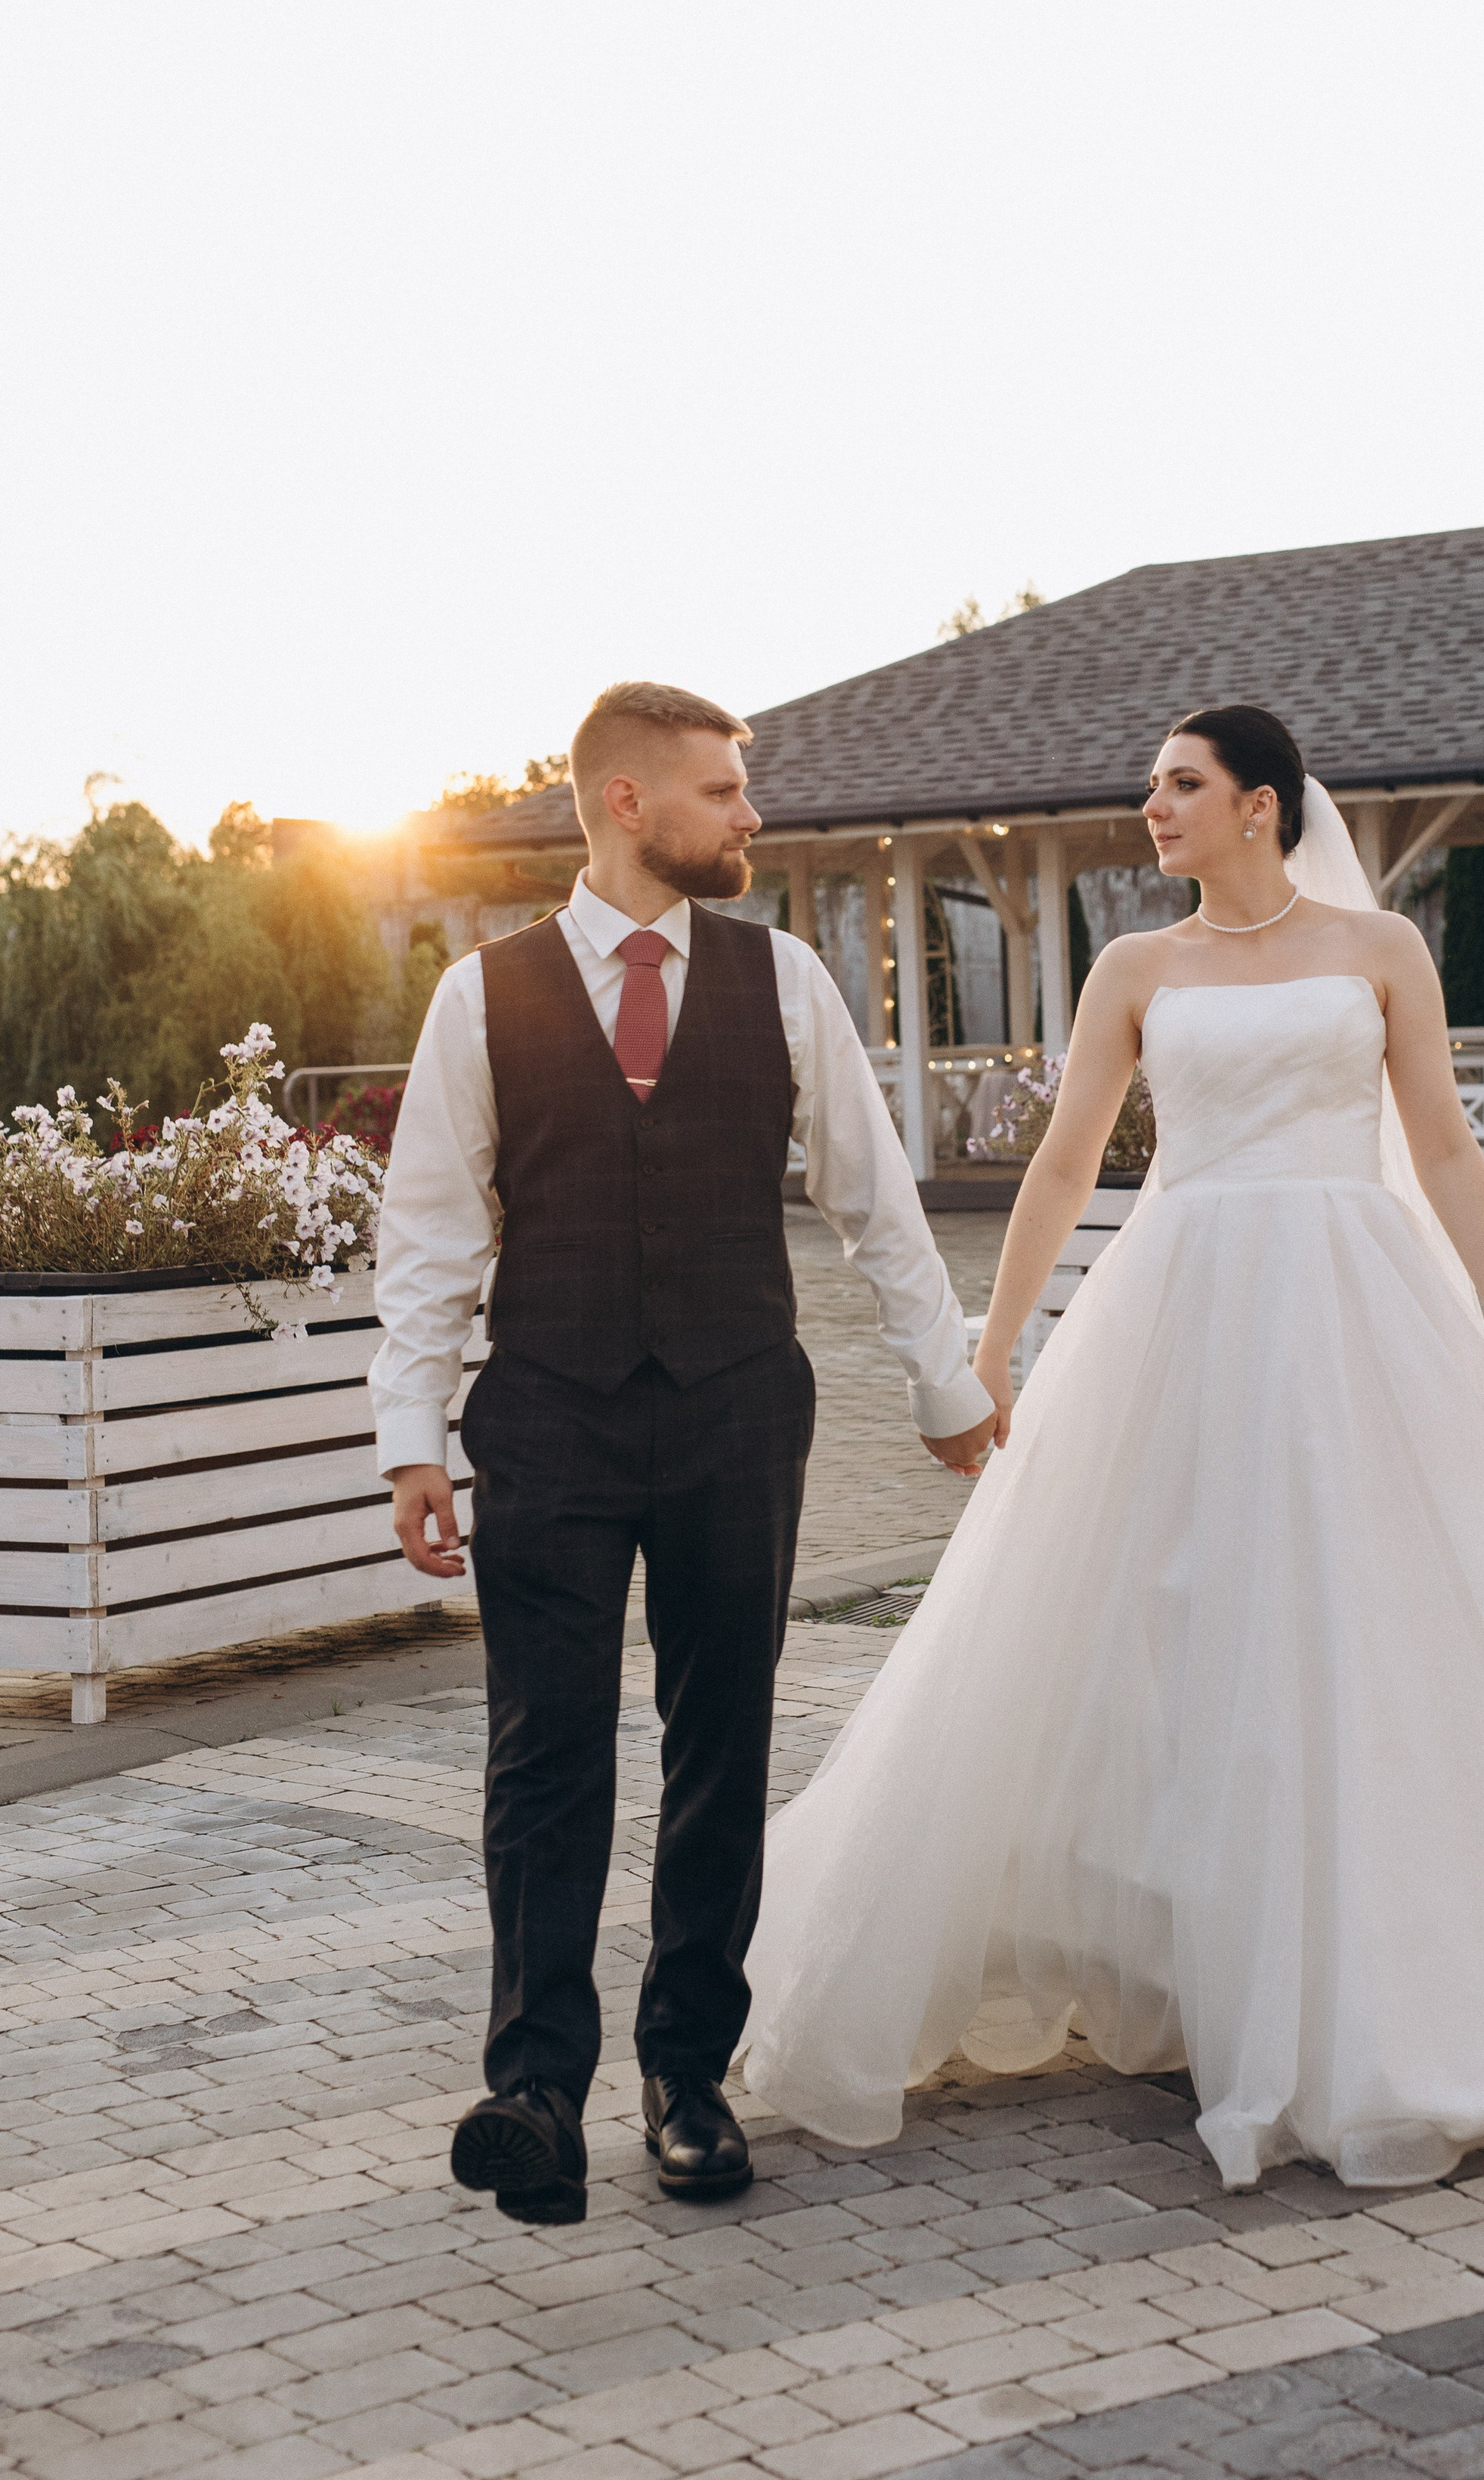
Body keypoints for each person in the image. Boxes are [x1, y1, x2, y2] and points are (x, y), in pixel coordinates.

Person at [738, 703, 1484, 2190]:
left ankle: (1409, 1974)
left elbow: (1443, 1143)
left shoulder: (1377, 951)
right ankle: (1218, 1964)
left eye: (1179, 785)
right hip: (1180, 1305)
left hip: (1355, 1301)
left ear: (1260, 804)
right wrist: (990, 1348)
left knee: (1377, 1621)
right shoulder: (1135, 970)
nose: (1152, 808)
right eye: (1147, 787)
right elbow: (1067, 1157)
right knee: (1186, 1620)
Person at [373, 681, 995, 2225]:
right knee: (544, 1751)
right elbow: (431, 1239)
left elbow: (876, 1205)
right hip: (550, 1415)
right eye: (724, 792)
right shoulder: (484, 997)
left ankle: (685, 2077)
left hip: (733, 1408)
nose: (751, 816)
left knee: (719, 1746)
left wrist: (944, 1387)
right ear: (628, 804)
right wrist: (411, 1439)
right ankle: (531, 2085)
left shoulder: (781, 981)